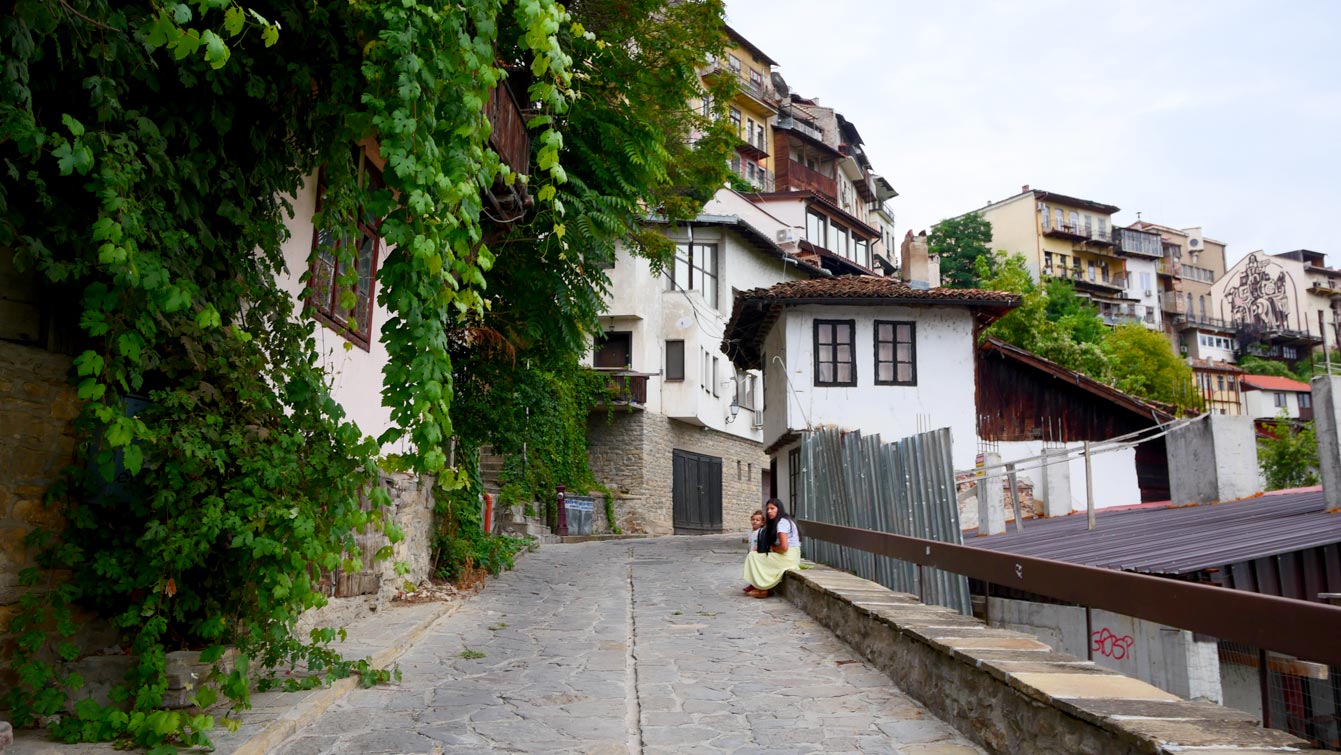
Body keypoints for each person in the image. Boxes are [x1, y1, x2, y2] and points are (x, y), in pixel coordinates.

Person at [742, 499, 801, 598]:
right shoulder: (783, 520)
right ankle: (760, 587)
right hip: (791, 555)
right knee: (756, 555)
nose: (769, 511)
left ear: (779, 509)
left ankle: (762, 588)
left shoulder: (782, 523)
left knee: (753, 556)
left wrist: (772, 548)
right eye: (768, 509)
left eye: (772, 508)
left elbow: (783, 548)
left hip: (788, 556)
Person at [743, 509, 765, 593]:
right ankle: (752, 584)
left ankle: (754, 585)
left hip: (757, 555)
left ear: (762, 523)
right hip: (751, 554)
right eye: (753, 520)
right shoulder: (750, 532)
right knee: (751, 570)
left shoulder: (761, 532)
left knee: (756, 571)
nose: (754, 521)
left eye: (757, 520)